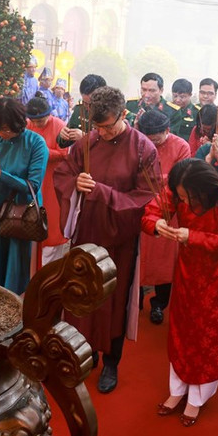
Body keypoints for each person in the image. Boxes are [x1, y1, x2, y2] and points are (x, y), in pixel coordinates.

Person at [54, 86, 158, 394]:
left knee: (112, 300)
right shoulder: (88, 142)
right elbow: (64, 173)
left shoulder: (143, 148)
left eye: (109, 126)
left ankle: (111, 362)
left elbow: (146, 197)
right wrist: (76, 182)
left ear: (124, 115)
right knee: (79, 297)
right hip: (87, 232)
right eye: (98, 126)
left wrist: (102, 192)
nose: (104, 132)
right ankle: (82, 354)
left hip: (119, 240)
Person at [143, 159, 218, 426]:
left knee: (208, 334)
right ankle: (177, 390)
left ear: (204, 191)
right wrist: (156, 225)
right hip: (188, 270)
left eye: (188, 197)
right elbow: (150, 213)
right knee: (182, 329)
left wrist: (193, 236)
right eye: (180, 196)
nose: (183, 202)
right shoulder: (179, 189)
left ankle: (197, 398)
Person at [0, 98, 48, 294]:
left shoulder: (36, 143)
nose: (0, 134)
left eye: (4, 129)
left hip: (23, 215)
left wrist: (0, 175)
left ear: (18, 124)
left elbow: (33, 186)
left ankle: (13, 305)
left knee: (16, 264)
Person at [135, 109, 191, 325]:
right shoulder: (137, 143)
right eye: (148, 139)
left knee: (165, 263)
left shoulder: (181, 146)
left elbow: (181, 179)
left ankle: (159, 304)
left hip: (169, 211)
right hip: (140, 206)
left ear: (167, 130)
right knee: (139, 258)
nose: (151, 144)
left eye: (156, 139)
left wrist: (154, 178)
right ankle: (135, 300)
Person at [25, 95, 69, 266]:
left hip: (52, 181)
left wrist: (42, 151)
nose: (37, 125)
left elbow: (64, 154)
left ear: (49, 115)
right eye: (33, 121)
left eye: (41, 120)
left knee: (51, 224)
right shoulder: (28, 125)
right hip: (33, 179)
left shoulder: (59, 126)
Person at [57, 74, 107, 149]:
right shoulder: (80, 110)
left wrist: (85, 138)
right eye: (85, 103)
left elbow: (114, 146)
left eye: (91, 104)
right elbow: (62, 143)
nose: (87, 107)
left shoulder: (112, 114)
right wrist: (63, 135)